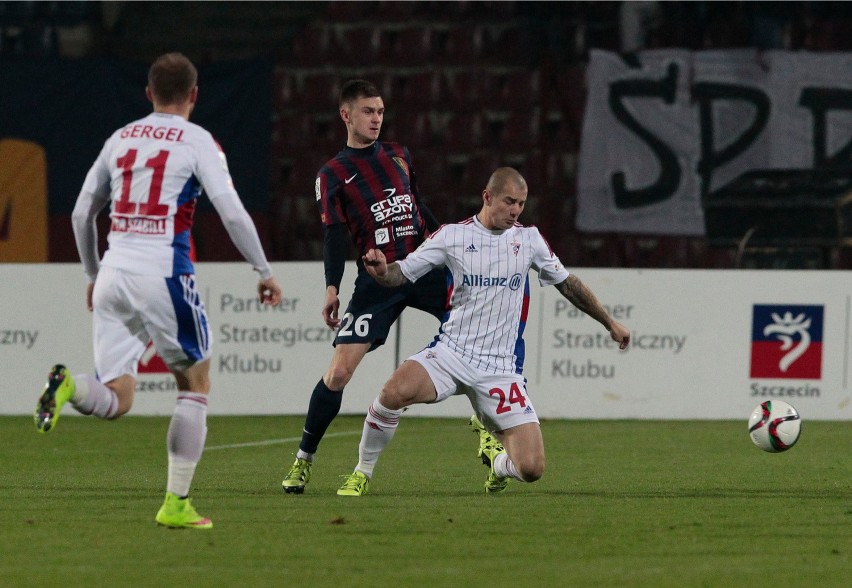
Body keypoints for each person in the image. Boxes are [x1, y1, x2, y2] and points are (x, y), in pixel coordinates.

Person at [33, 52, 283, 529]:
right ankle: (176, 504)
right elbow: (231, 212)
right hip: (163, 273)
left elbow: (81, 214)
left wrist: (92, 276)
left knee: (117, 397)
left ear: (148, 94)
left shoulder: (120, 137)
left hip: (112, 272)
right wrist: (262, 269)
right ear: (194, 95)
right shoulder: (198, 141)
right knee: (195, 384)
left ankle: (68, 385)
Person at [336, 167, 631, 496]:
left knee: (532, 469)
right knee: (391, 394)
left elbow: (568, 284)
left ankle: (499, 464)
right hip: (451, 354)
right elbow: (401, 274)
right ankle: (362, 471)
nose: (515, 210)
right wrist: (381, 271)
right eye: (509, 201)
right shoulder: (452, 237)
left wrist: (609, 322)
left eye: (521, 203)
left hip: (500, 370)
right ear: (487, 197)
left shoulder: (528, 239)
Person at [281, 79, 464, 494]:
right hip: (377, 280)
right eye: (368, 111)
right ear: (346, 115)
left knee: (473, 336)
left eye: (380, 111)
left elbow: (420, 210)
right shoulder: (333, 174)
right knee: (339, 372)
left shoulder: (399, 155)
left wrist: (454, 248)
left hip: (422, 268)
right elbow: (333, 235)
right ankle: (303, 460)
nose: (377, 118)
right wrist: (332, 287)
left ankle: (489, 437)